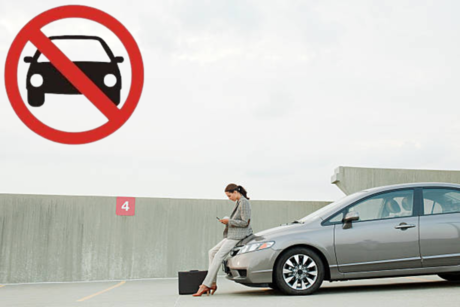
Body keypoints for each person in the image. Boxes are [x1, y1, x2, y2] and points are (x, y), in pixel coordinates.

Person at [193, 183, 253, 297]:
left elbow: (245, 223)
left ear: (235, 192)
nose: (229, 199)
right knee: (212, 252)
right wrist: (228, 220)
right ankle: (213, 283)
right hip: (232, 234)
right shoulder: (239, 202)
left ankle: (205, 285)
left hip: (238, 235)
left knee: (218, 256)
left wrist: (228, 221)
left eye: (229, 196)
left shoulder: (244, 202)